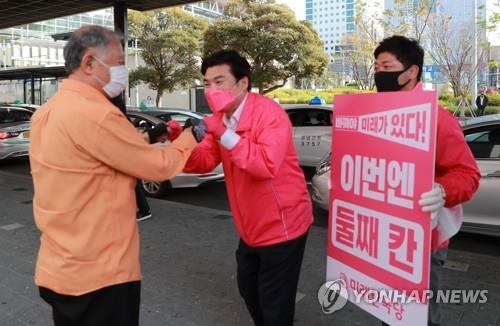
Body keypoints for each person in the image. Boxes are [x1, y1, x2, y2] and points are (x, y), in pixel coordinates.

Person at [28, 25, 200, 326]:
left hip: (61, 265)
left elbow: (89, 158)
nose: (124, 70)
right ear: (90, 63)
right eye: (119, 62)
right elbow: (158, 167)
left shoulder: (47, 111)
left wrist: (144, 140)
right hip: (100, 275)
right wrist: (191, 137)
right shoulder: (96, 113)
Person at [180, 50, 313, 326]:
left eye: (219, 82)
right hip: (251, 227)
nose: (211, 90)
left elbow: (265, 165)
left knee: (274, 302)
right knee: (248, 288)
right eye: (206, 83)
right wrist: (182, 142)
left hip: (283, 225)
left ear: (242, 83)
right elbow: (204, 160)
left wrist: (223, 133)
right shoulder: (222, 118)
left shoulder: (269, 113)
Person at [373, 35, 480, 326]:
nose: (379, 73)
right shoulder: (375, 113)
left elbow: (468, 175)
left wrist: (442, 190)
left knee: (420, 316)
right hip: (383, 235)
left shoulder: (438, 117)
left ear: (411, 72)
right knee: (391, 310)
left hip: (424, 239)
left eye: (387, 66)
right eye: (376, 66)